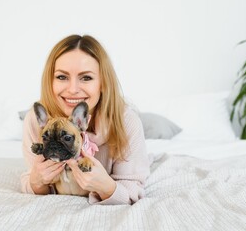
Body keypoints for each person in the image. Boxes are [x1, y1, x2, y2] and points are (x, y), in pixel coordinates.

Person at [20, 34, 150, 205]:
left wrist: (106, 187)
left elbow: (133, 190)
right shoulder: (36, 120)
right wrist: (37, 182)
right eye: (62, 77)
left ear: (103, 83)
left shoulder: (126, 122)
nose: (73, 89)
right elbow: (34, 181)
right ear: (50, 81)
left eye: (86, 78)